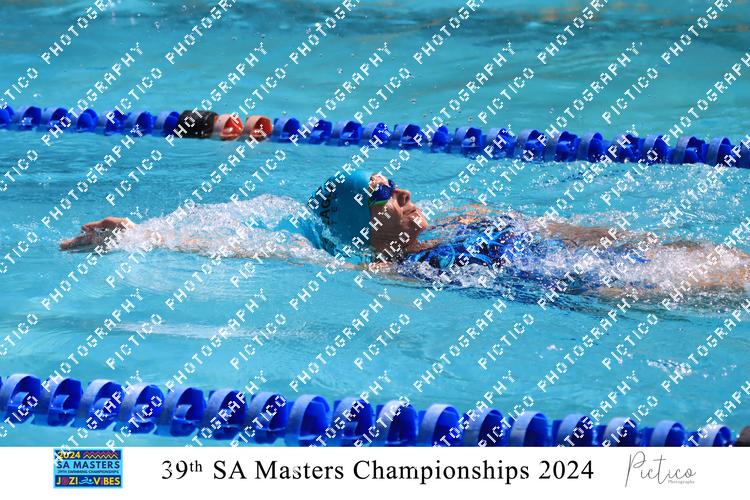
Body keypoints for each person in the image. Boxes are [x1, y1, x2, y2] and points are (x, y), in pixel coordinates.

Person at [61, 169, 750, 298]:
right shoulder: (380, 269)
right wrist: (139, 233)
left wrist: (644, 241)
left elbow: (567, 228)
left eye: (401, 187)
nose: (406, 197)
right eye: (387, 196)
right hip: (582, 285)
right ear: (363, 222)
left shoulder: (460, 217)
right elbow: (253, 247)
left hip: (601, 256)